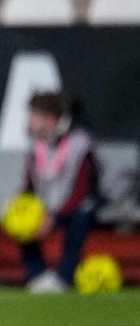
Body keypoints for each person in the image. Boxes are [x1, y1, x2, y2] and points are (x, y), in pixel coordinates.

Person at [21, 91, 103, 292]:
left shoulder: (80, 143)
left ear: (49, 119)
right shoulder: (36, 145)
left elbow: (84, 189)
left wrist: (55, 217)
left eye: (34, 117)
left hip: (75, 205)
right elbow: (30, 185)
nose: (29, 123)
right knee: (21, 221)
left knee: (80, 218)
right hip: (48, 206)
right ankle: (38, 275)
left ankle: (65, 276)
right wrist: (27, 209)